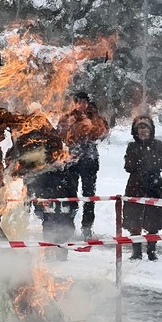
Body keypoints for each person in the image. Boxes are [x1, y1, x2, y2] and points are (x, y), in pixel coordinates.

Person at [56, 91, 108, 239]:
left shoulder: (95, 117)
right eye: (79, 102)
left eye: (84, 102)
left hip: (89, 159)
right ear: (75, 103)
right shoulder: (68, 117)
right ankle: (69, 225)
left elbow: (103, 133)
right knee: (70, 193)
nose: (81, 105)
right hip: (72, 159)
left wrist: (91, 128)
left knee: (89, 195)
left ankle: (87, 227)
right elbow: (59, 134)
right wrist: (69, 127)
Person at [123, 114, 162, 261]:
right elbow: (128, 166)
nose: (143, 131)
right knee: (135, 220)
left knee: (153, 220)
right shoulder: (132, 146)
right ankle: (136, 251)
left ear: (151, 130)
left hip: (153, 185)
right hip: (135, 186)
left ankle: (151, 250)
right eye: (140, 128)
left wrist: (151, 163)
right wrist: (141, 160)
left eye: (145, 128)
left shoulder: (159, 145)